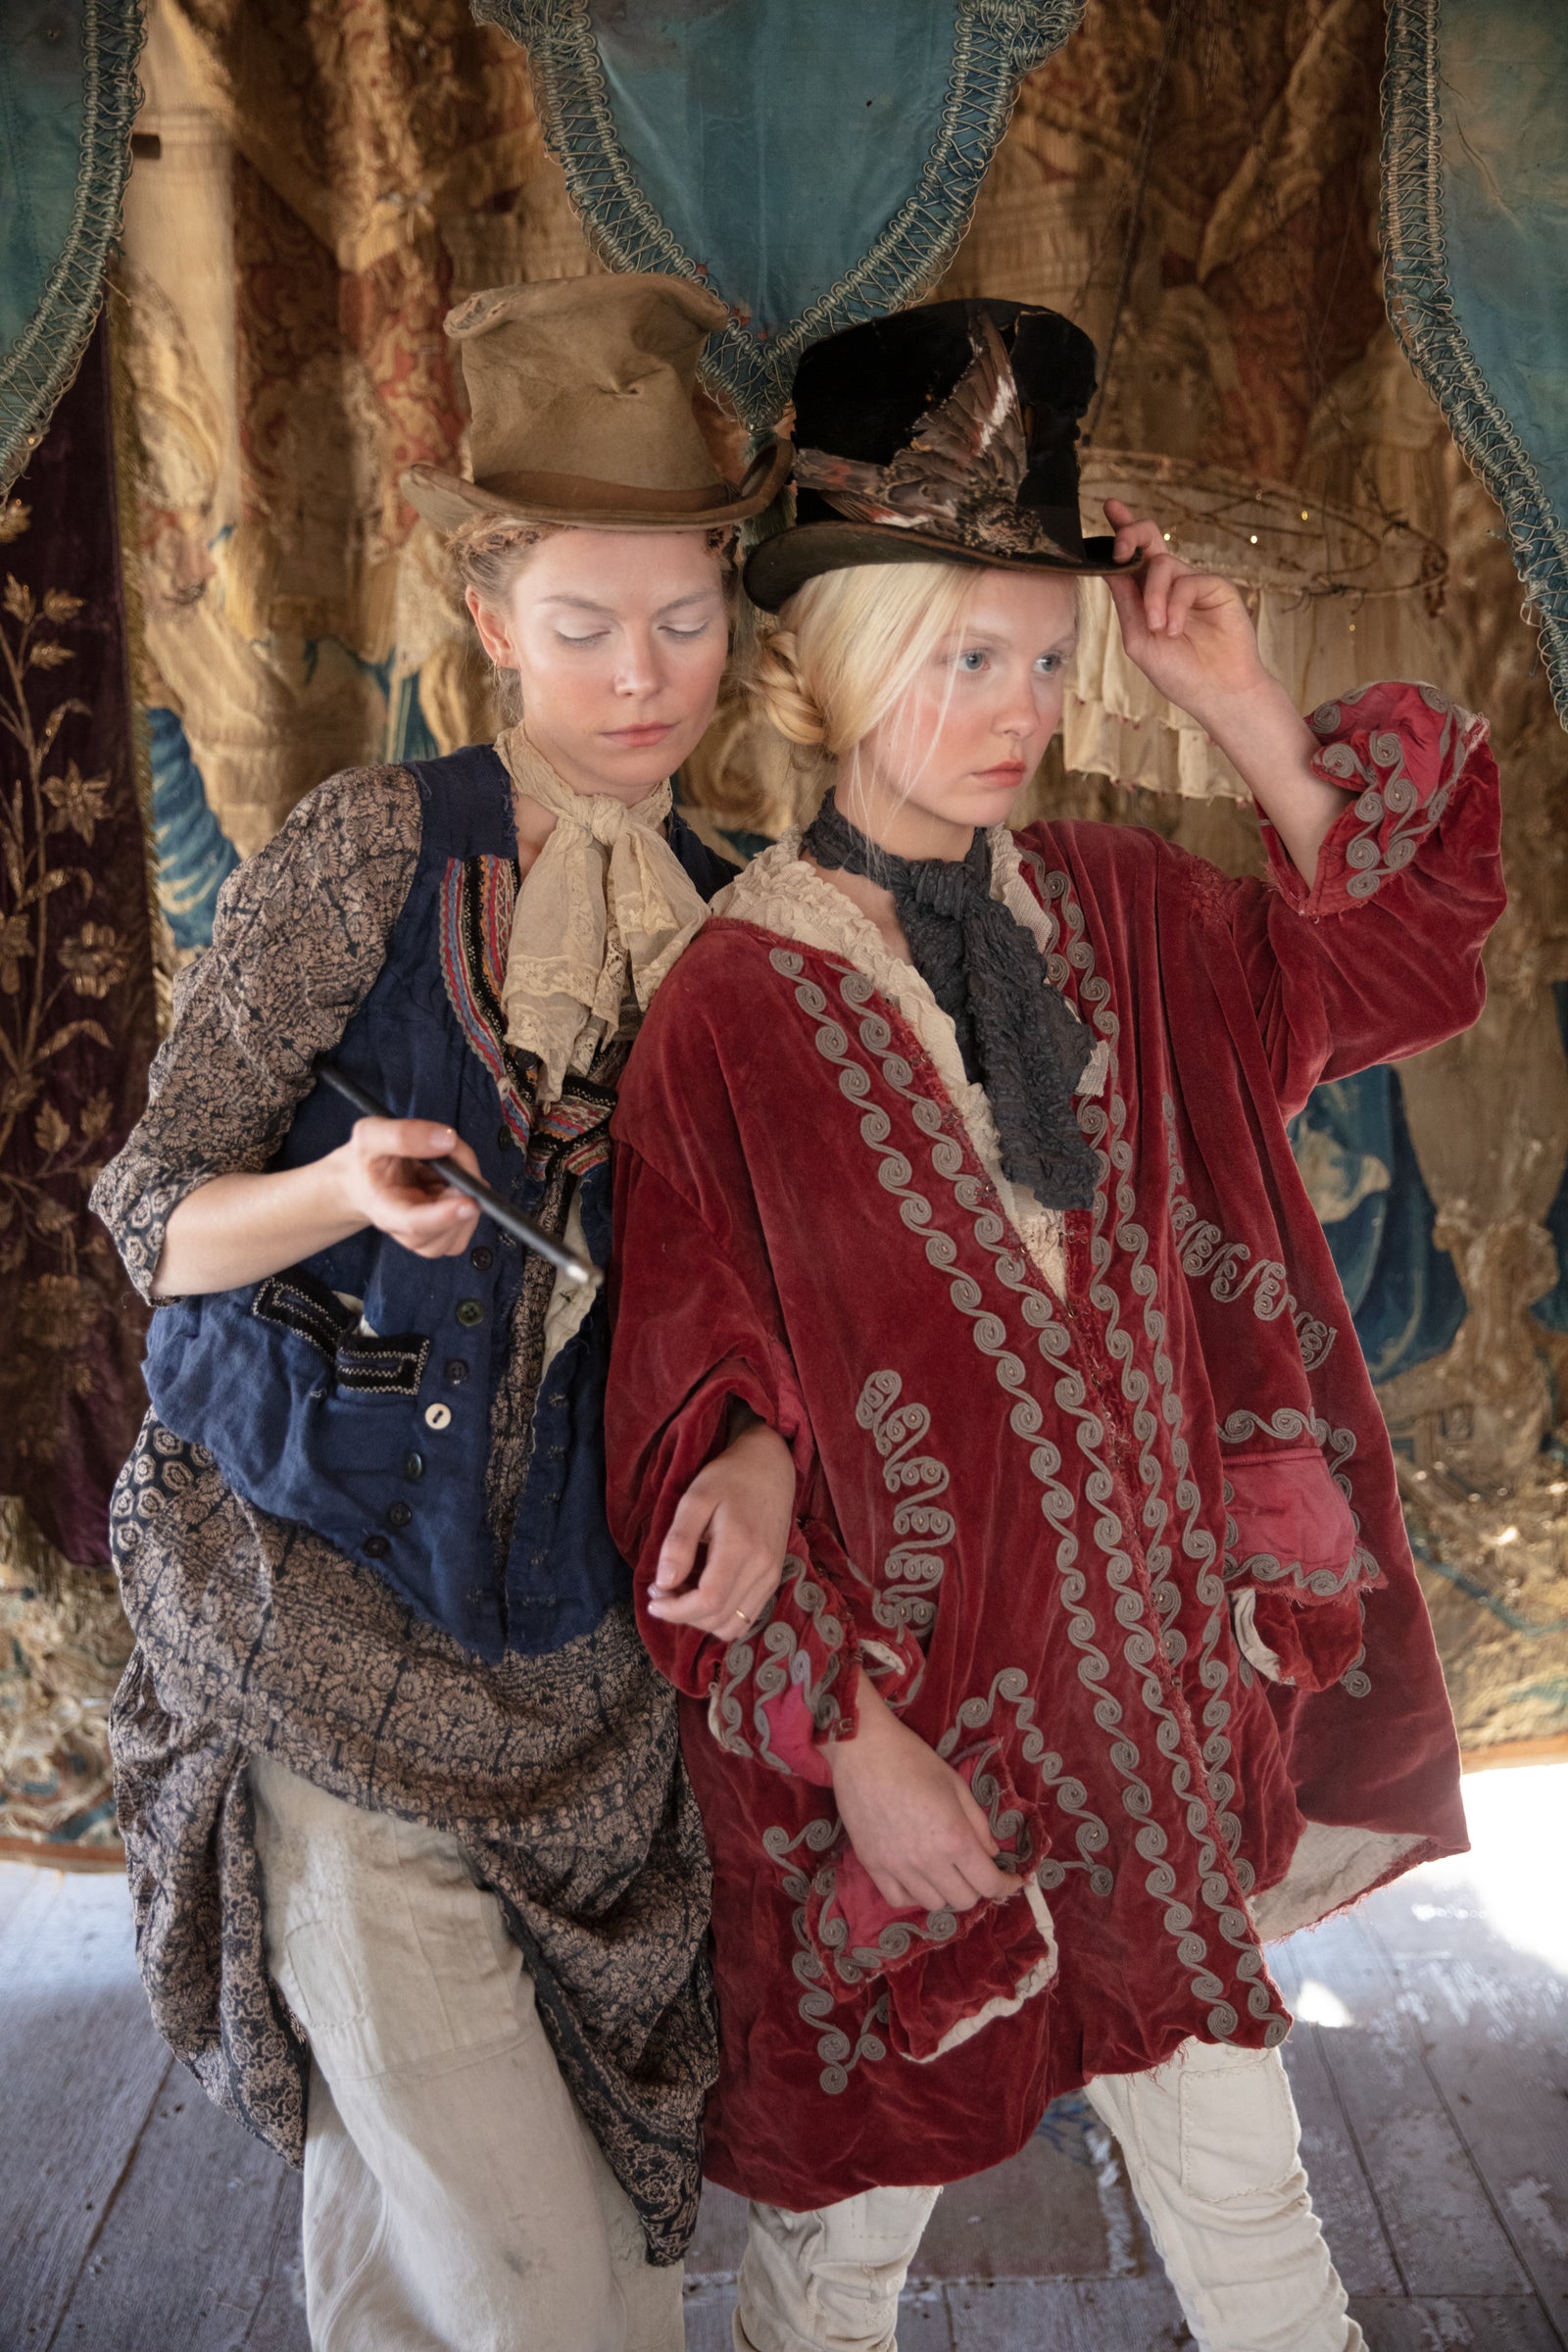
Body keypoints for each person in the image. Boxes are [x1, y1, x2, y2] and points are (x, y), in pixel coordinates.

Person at [605, 298, 1503, 2352]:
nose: (1016, 709)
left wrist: (1235, 697)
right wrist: (858, 1753)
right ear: (842, 662)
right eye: (962, 659)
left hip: (1164, 1727)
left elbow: (1394, 968)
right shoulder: (731, 1011)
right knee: (842, 2262)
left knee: (1258, 2223)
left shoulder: (1126, 911)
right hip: (925, 1758)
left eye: (1042, 656)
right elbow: (683, 1434)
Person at [92, 272, 800, 2352]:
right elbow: (150, 1220)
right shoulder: (365, 854)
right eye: (582, 626)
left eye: (684, 621)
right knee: (548, 2303)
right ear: (491, 619)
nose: (640, 676)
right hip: (318, 1642)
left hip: (586, 1703)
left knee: (467, 2268)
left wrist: (764, 1449)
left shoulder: (746, 917)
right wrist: (335, 1190)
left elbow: (776, 1294)